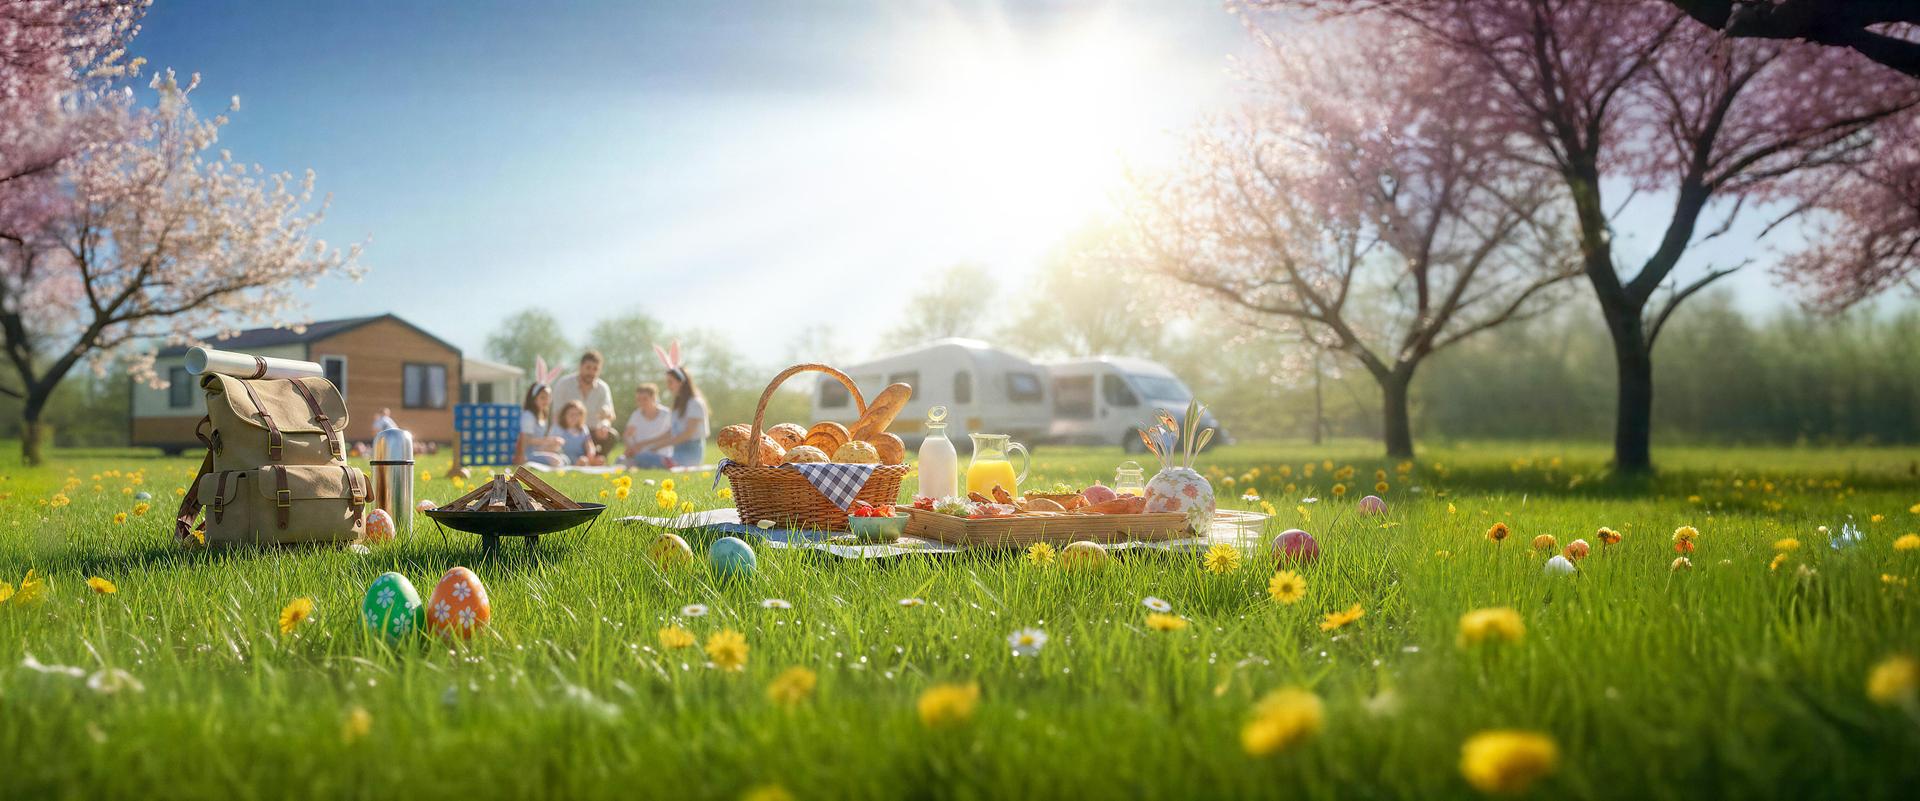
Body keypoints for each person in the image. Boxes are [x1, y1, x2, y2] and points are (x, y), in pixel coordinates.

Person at [629, 365, 708, 468]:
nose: (668, 385)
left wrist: (658, 446)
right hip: (677, 452)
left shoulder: (695, 403)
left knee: (641, 458)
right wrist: (645, 444)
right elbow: (671, 432)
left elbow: (688, 434)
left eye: (670, 382)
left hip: (690, 454)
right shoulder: (678, 406)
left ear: (681, 382)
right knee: (641, 456)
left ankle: (670, 463)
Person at [550, 349, 617, 458]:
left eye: (595, 369)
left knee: (611, 435)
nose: (591, 372)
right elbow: (557, 414)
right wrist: (566, 431)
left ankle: (596, 459)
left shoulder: (603, 388)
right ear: (580, 367)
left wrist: (604, 424)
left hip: (593, 432)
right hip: (568, 431)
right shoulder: (564, 384)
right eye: (588, 368)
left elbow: (610, 415)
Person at [621, 383, 674, 468]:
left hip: (661, 454)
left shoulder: (666, 414)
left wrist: (643, 444)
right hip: (639, 454)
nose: (641, 402)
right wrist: (630, 448)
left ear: (653, 398)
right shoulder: (636, 414)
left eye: (645, 399)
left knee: (641, 458)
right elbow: (627, 435)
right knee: (620, 460)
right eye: (638, 399)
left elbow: (670, 434)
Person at [516, 384, 567, 468]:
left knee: (564, 459)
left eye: (548, 397)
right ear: (534, 398)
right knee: (556, 460)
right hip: (528, 455)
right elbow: (526, 441)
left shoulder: (543, 414)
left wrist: (553, 442)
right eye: (542, 397)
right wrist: (549, 441)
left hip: (538, 450)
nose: (546, 401)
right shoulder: (528, 416)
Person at [553, 400, 603, 466]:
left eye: (577, 414)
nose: (574, 417)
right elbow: (552, 445)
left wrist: (591, 454)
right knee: (562, 460)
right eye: (571, 414)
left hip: (579, 458)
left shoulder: (583, 429)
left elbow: (589, 444)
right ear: (564, 415)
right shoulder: (558, 428)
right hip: (563, 457)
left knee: (595, 460)